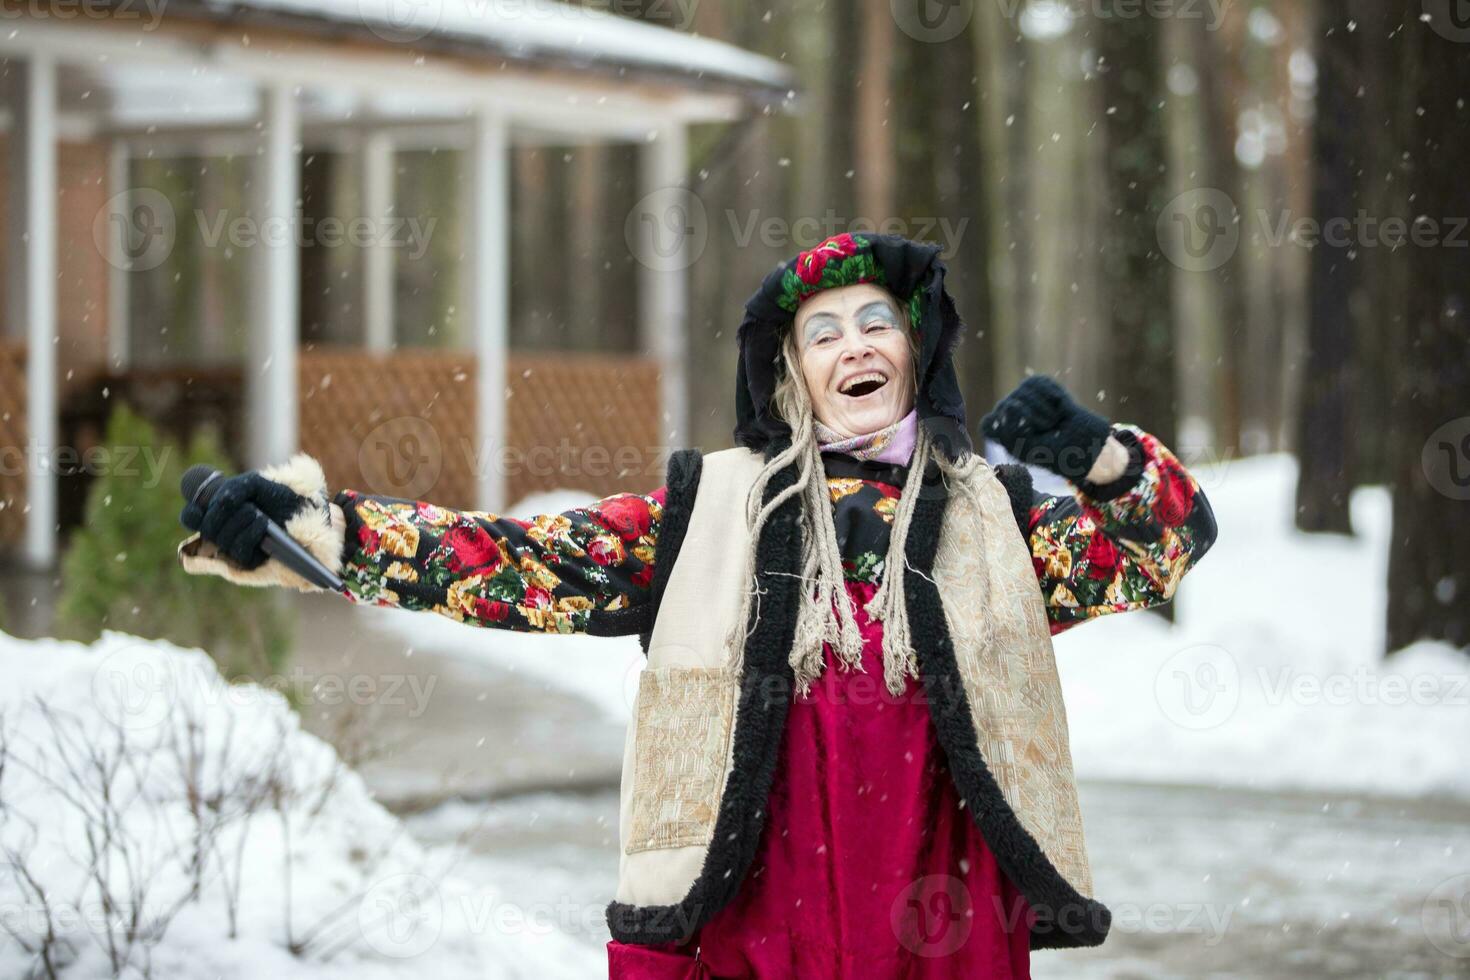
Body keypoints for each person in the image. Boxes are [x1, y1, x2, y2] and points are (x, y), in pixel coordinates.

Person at [179, 233, 1217, 979]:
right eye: (822, 332)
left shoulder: (993, 520)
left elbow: (1163, 543)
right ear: (791, 376)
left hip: (933, 926)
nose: (854, 342)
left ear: (912, 350)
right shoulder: (710, 509)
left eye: (875, 321)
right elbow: (521, 561)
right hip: (756, 925)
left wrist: (1104, 456)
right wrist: (326, 529)